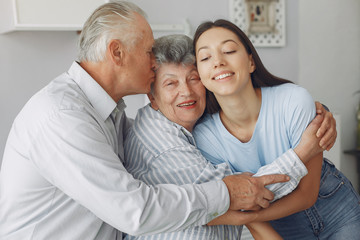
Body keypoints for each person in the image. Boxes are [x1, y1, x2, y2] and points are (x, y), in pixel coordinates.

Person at [0, 2, 301, 240]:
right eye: (147, 51)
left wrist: (289, 113)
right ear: (117, 53)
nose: (153, 61)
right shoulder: (63, 117)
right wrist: (227, 191)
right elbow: (134, 210)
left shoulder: (110, 113)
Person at [123, 34, 337, 240]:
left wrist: (312, 112)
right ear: (152, 96)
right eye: (171, 84)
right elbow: (245, 197)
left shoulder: (192, 126)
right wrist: (304, 151)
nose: (186, 91)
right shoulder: (165, 144)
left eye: (193, 78)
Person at [192, 19, 360, 239]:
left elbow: (307, 195)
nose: (218, 62)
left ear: (251, 62)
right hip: (280, 226)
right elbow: (246, 208)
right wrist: (245, 216)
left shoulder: (294, 100)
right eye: (205, 57)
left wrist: (243, 216)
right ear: (200, 76)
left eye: (229, 50)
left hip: (336, 208)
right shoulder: (205, 139)